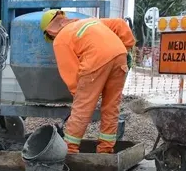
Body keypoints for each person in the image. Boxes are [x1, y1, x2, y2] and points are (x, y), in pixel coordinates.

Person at [40, 10, 137, 154]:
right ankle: (105, 149)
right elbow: (120, 24)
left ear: (50, 31)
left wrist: (79, 95)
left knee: (82, 109)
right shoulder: (89, 21)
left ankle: (70, 151)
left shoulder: (60, 39)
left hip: (95, 59)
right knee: (111, 107)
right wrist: (126, 47)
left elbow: (71, 73)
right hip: (120, 55)